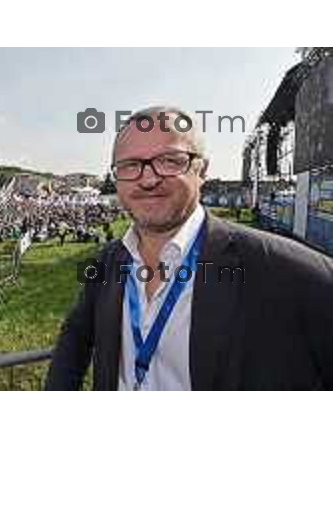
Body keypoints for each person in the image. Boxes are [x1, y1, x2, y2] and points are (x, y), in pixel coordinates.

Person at [46, 106, 333, 390]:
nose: (148, 179)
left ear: (202, 170)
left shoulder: (289, 271)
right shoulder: (108, 261)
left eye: (170, 160)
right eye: (130, 165)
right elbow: (75, 336)